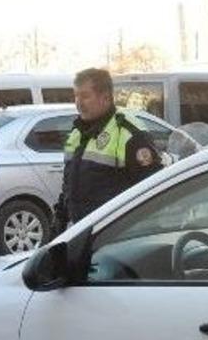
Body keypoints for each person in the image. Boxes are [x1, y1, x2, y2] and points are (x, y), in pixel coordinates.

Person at [53, 67, 162, 229]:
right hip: (81, 232)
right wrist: (58, 224)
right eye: (76, 95)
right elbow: (69, 185)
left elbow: (151, 191)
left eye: (85, 96)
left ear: (105, 98)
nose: (78, 102)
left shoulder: (128, 132)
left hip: (115, 236)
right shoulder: (77, 132)